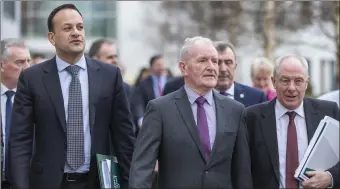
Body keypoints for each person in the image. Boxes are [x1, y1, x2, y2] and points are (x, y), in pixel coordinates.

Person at [8, 4, 135, 189]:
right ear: (51, 37)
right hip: (48, 182)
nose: (76, 32)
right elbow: (20, 140)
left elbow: (124, 137)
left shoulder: (109, 76)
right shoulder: (32, 78)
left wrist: (130, 181)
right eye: (68, 28)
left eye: (80, 27)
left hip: (98, 181)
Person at [129, 36, 252, 189]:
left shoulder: (235, 110)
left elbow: (242, 171)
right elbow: (142, 167)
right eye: (202, 61)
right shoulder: (160, 109)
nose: (212, 67)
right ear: (183, 68)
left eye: (214, 61)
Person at [245, 54, 339, 189]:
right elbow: (242, 169)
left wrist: (330, 177)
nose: (291, 88)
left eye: (298, 81)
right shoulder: (252, 117)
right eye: (285, 80)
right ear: (273, 81)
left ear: (307, 83)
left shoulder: (329, 111)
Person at [0, 38, 31, 189]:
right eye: (20, 62)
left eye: (28, 61)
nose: (27, 67)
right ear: (1, 65)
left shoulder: (36, 98)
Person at [214, 41, 267, 107]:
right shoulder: (200, 99)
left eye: (228, 62)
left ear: (235, 66)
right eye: (218, 62)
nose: (223, 69)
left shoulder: (257, 98)